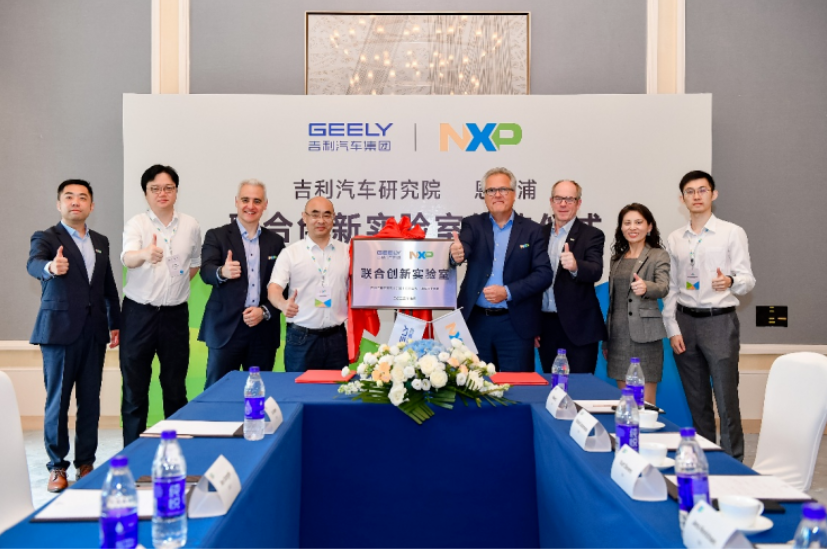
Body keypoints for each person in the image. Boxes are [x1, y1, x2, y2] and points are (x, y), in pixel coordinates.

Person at [26, 180, 120, 492]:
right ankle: (57, 466)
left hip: (94, 333)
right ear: (59, 204)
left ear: (92, 205)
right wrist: (51, 267)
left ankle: (86, 463)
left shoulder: (101, 241)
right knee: (58, 401)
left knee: (90, 402)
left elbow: (107, 286)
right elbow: (34, 264)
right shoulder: (46, 237)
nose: (75, 202)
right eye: (69, 197)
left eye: (82, 197)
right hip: (59, 332)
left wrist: (115, 322)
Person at [663, 170, 756, 461]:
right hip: (685, 322)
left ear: (713, 194)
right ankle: (706, 460)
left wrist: (730, 280)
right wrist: (672, 328)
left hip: (719, 321)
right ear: (682, 199)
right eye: (690, 192)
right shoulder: (675, 238)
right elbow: (672, 288)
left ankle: (733, 462)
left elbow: (747, 279)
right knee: (697, 400)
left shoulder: (731, 232)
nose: (697, 196)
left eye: (702, 190)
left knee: (726, 399)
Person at [119, 165, 201, 446]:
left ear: (176, 191)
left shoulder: (190, 225)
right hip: (138, 314)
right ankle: (133, 452)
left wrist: (174, 285)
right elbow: (127, 258)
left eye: (168, 188)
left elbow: (194, 264)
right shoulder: (137, 224)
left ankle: (176, 448)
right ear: (146, 193)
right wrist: (145, 254)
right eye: (155, 188)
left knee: (175, 387)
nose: (162, 193)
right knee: (135, 389)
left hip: (175, 316)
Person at [451, 167, 552, 372]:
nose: (497, 195)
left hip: (515, 324)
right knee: (476, 384)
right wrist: (457, 254)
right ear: (484, 196)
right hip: (476, 322)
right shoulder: (472, 224)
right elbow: (464, 247)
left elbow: (544, 274)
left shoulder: (532, 230)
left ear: (514, 194)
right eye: (491, 190)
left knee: (517, 386)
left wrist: (507, 291)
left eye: (503, 189)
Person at [199, 179, 285, 388]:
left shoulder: (275, 242)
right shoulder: (217, 235)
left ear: (265, 205)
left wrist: (264, 311)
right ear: (236, 202)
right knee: (218, 392)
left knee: (258, 392)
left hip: (262, 330)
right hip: (225, 329)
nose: (250, 206)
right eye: (245, 200)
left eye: (257, 201)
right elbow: (206, 271)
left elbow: (284, 285)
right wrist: (222, 271)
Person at [267, 197, 349, 372]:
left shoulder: (347, 252)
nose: (321, 220)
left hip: (337, 338)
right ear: (304, 217)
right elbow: (274, 288)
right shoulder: (290, 253)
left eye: (327, 215)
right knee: (299, 387)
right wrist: (282, 304)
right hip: (301, 338)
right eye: (315, 215)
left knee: (338, 388)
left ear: (333, 218)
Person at [603, 203, 670, 404]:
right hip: (618, 337)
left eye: (638, 222)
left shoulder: (658, 255)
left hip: (645, 338)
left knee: (644, 404)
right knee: (626, 402)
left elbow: (663, 286)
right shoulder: (617, 259)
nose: (632, 227)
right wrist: (607, 340)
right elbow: (613, 302)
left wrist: (646, 287)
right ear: (621, 228)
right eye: (627, 223)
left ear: (649, 227)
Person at [538, 180, 607, 374]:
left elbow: (596, 270)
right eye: (558, 198)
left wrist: (576, 266)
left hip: (580, 328)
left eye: (569, 199)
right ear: (551, 201)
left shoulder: (592, 234)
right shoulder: (538, 234)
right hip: (546, 327)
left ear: (578, 203)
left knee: (580, 387)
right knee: (552, 386)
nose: (563, 204)